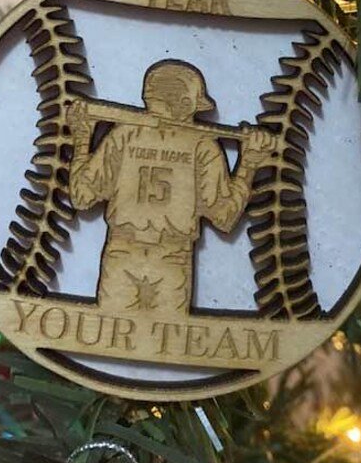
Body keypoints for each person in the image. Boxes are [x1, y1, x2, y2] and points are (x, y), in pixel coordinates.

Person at [66, 60, 275, 313]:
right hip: (171, 259)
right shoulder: (203, 145)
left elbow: (81, 196)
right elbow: (224, 216)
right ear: (186, 104)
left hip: (122, 252)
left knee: (109, 329)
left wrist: (82, 138)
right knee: (166, 334)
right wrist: (249, 164)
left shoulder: (123, 135)